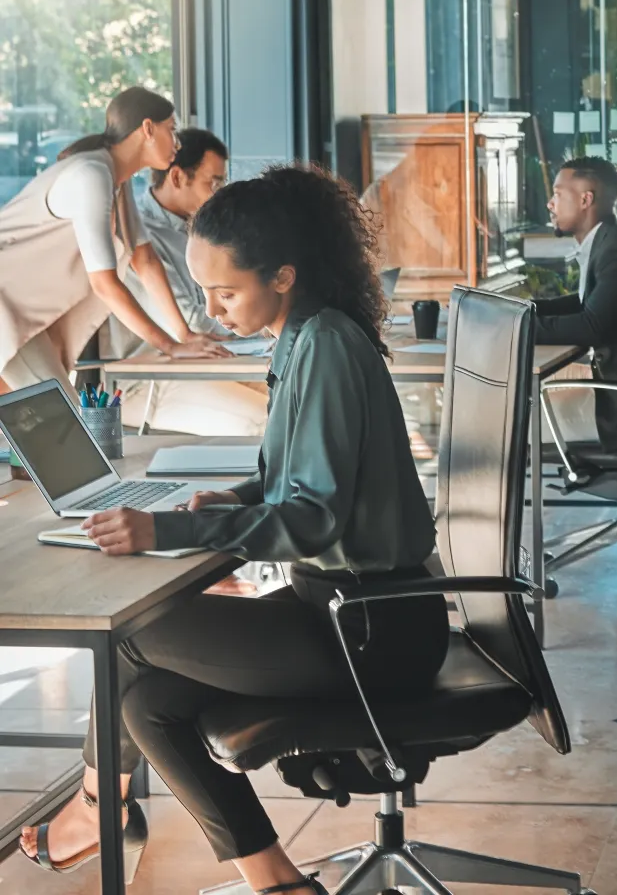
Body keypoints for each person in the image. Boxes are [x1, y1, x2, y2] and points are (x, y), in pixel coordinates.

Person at [19, 166, 445, 895]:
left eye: (226, 292)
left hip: (371, 627)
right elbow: (303, 479)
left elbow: (314, 515)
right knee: (147, 703)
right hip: (345, 611)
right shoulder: (308, 335)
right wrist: (236, 495)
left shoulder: (326, 348)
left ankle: (96, 811)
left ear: (282, 275)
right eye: (204, 292)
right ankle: (275, 880)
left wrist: (167, 531)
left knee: (121, 636)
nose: (212, 311)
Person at [0, 87, 228, 397]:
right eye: (171, 130)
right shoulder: (91, 175)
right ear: (148, 129)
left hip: (22, 313)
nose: (177, 142)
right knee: (59, 418)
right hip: (6, 310)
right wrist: (169, 346)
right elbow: (104, 283)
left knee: (51, 418)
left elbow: (144, 260)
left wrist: (183, 336)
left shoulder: (114, 179)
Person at [115, 127, 270, 436]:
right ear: (176, 177)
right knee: (263, 421)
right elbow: (191, 323)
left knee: (298, 401)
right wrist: (263, 322)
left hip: (208, 360)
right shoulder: (144, 237)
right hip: (152, 378)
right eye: (212, 182)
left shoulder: (199, 229)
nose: (219, 193)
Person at [536, 155, 617, 451]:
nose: (551, 203)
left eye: (558, 194)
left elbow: (591, 326)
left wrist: (516, 326)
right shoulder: (611, 239)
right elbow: (588, 302)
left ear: (585, 199)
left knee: (509, 417)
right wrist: (524, 311)